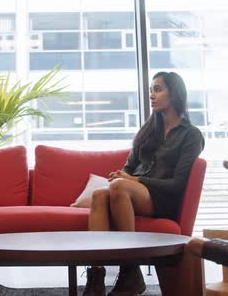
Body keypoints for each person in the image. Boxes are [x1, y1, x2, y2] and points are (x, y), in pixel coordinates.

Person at [83, 72, 205, 296]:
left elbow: (178, 184)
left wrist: (133, 180)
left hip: (162, 198)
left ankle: (130, 269)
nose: (152, 95)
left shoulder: (191, 135)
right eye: (151, 90)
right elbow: (130, 166)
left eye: (158, 89)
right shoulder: (148, 131)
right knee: (100, 195)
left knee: (120, 186)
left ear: (174, 93)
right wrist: (121, 174)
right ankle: (96, 277)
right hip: (132, 193)